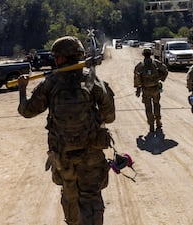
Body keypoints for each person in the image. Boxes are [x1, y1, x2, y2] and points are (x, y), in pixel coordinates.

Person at [17, 36, 116, 225]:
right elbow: (110, 116)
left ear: (61, 58)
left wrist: (22, 89)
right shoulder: (92, 79)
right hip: (91, 155)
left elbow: (26, 111)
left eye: (56, 56)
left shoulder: (50, 83)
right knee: (92, 197)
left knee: (70, 196)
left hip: (64, 156)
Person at [134, 48, 168, 132]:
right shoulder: (156, 63)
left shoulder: (140, 65)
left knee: (148, 107)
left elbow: (136, 77)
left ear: (143, 54)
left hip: (145, 89)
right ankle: (158, 121)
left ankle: (151, 124)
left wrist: (138, 88)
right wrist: (161, 79)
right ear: (151, 54)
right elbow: (165, 70)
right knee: (156, 104)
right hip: (155, 88)